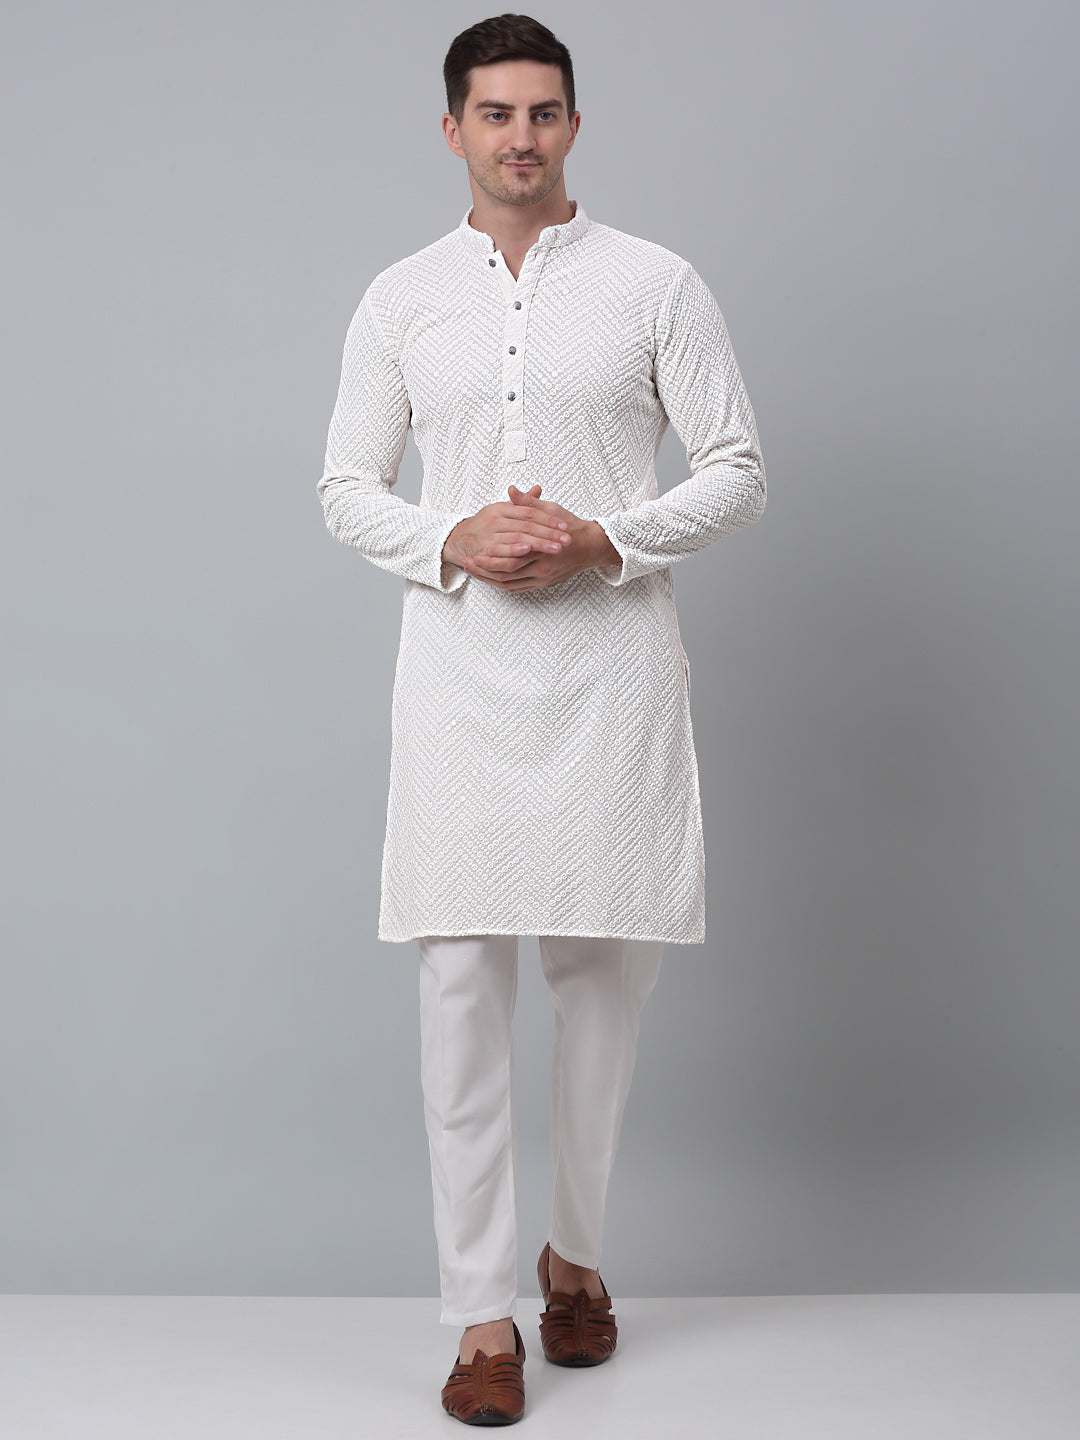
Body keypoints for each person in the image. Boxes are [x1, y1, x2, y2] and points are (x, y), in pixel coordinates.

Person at [316, 13, 767, 1426]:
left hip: (610, 673)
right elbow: (344, 486)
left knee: (603, 991)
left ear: (576, 124)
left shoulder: (656, 284)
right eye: (497, 113)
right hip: (460, 676)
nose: (522, 135)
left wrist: (605, 539)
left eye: (545, 111)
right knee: (459, 989)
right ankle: (478, 1317)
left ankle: (574, 1257)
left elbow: (740, 467)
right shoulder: (402, 298)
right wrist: (450, 538)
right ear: (452, 129)